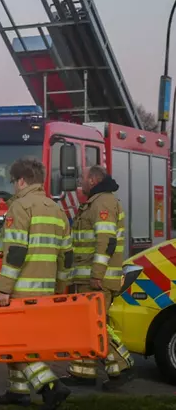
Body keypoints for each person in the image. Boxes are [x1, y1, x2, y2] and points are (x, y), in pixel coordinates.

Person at [0, 157, 72, 410]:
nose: (14, 186)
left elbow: (15, 252)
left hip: (20, 290)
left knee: (15, 341)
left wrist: (4, 289)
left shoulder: (20, 207)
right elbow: (66, 255)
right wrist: (62, 288)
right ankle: (17, 391)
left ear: (21, 181)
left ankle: (49, 386)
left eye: (14, 181)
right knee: (24, 340)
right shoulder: (57, 209)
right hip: (46, 290)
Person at [61, 165, 134, 390]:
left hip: (96, 280)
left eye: (83, 178)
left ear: (93, 180)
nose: (80, 183)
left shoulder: (103, 203)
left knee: (96, 324)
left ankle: (122, 366)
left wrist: (97, 275)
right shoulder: (96, 202)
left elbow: (106, 241)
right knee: (85, 325)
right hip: (86, 279)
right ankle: (83, 373)